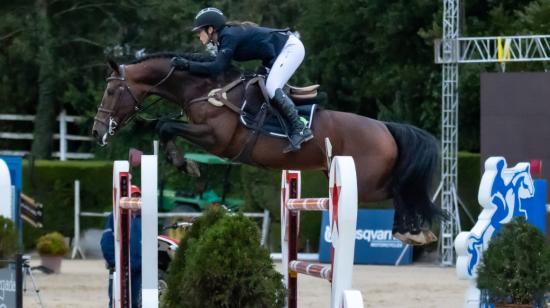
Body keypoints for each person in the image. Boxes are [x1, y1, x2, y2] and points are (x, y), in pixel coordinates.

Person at [170, 7, 313, 153]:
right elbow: (215, 62)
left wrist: (187, 66)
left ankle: (300, 129)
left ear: (211, 29)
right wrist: (186, 60)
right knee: (261, 87)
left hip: (290, 48)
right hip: (275, 55)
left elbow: (217, 67)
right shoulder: (224, 38)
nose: (199, 36)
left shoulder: (228, 36)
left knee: (271, 87)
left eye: (200, 32)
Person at [100, 185, 142, 308]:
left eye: (137, 196)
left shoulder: (144, 218)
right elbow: (106, 242)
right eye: (132, 196)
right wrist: (115, 263)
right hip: (119, 269)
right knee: (115, 301)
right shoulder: (114, 216)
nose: (134, 199)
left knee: (135, 303)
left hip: (139, 271)